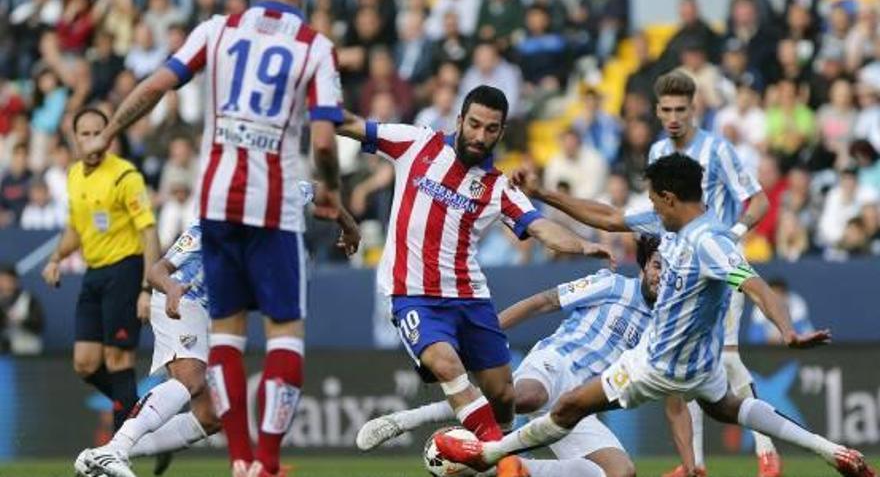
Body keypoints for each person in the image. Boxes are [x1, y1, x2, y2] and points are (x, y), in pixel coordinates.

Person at [435, 153, 874, 477]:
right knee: (731, 408)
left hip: (658, 364)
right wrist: (543, 193)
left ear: (668, 198)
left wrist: (788, 330)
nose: (651, 210)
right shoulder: (674, 222)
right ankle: (831, 450)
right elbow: (607, 217)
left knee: (568, 406)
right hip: (702, 365)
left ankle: (488, 457)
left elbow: (756, 285)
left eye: (654, 201)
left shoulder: (710, 242)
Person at [77, 0, 360, 476]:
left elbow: (152, 87)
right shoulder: (314, 46)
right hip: (209, 274)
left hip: (224, 199)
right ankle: (255, 463)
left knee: (210, 414)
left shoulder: (216, 30)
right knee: (268, 344)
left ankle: (108, 454)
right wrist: (165, 287)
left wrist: (108, 130)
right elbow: (324, 148)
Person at [334, 85, 614, 474]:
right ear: (460, 120)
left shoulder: (498, 186)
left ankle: (492, 451)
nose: (480, 136)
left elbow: (540, 227)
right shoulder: (416, 143)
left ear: (500, 133)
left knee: (503, 395)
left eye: (491, 129)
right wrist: (311, 107)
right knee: (447, 365)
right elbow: (350, 124)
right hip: (413, 296)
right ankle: (507, 463)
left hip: (471, 299)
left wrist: (582, 246)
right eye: (475, 125)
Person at [356, 236, 687, 477]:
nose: (662, 275)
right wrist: (482, 337)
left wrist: (691, 463)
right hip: (556, 363)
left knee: (621, 472)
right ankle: (407, 420)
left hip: (583, 400)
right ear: (644, 264)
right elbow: (542, 302)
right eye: (658, 264)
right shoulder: (612, 284)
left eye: (671, 270)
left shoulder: (666, 330)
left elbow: (664, 396)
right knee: (527, 398)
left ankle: (511, 470)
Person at [645, 71, 778, 477]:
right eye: (666, 109)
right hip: (677, 272)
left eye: (680, 109)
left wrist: (733, 234)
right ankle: (695, 464)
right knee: (685, 363)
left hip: (717, 268)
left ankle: (767, 452)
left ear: (694, 108)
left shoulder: (717, 150)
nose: (673, 117)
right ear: (657, 110)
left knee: (727, 356)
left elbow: (758, 200)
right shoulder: (655, 152)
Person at [41, 108, 160, 434]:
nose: (93, 139)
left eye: (99, 133)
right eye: (86, 134)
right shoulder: (74, 175)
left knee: (118, 361)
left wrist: (146, 288)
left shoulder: (125, 176)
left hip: (125, 269)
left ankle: (121, 452)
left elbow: (149, 232)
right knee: (85, 363)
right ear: (76, 138)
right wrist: (54, 257)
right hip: (94, 273)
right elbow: (75, 230)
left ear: (109, 136)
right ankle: (147, 420)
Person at [75, 223, 221, 477]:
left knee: (211, 416)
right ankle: (115, 449)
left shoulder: (269, 216)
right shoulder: (207, 227)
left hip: (214, 316)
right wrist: (171, 286)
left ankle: (100, 456)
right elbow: (157, 271)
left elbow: (312, 193)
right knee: (190, 381)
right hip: (181, 299)